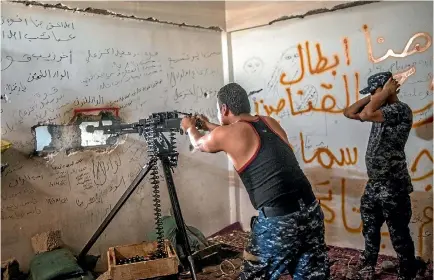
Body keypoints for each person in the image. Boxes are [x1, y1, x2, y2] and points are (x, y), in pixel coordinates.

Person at [181, 83, 330, 280]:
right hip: (311, 212)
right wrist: (209, 126)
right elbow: (237, 135)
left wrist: (190, 127)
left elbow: (200, 143)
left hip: (279, 222)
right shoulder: (269, 122)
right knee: (311, 275)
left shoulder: (228, 134)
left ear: (224, 109)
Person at [343, 72, 425, 280]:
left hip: (393, 184)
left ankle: (408, 271)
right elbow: (349, 112)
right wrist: (376, 95)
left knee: (399, 233)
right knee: (369, 226)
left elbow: (366, 114)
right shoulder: (379, 108)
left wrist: (387, 92)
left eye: (373, 90)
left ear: (387, 88)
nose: (371, 96)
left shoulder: (400, 110)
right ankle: (368, 265)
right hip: (375, 184)